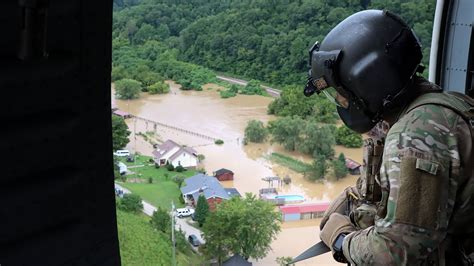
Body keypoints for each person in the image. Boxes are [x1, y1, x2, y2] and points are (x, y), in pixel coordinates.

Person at [304, 10, 474, 265]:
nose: (341, 103)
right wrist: (353, 202)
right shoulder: (442, 106)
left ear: (367, 85)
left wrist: (341, 242)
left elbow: (394, 252)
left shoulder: (414, 135)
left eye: (340, 95)